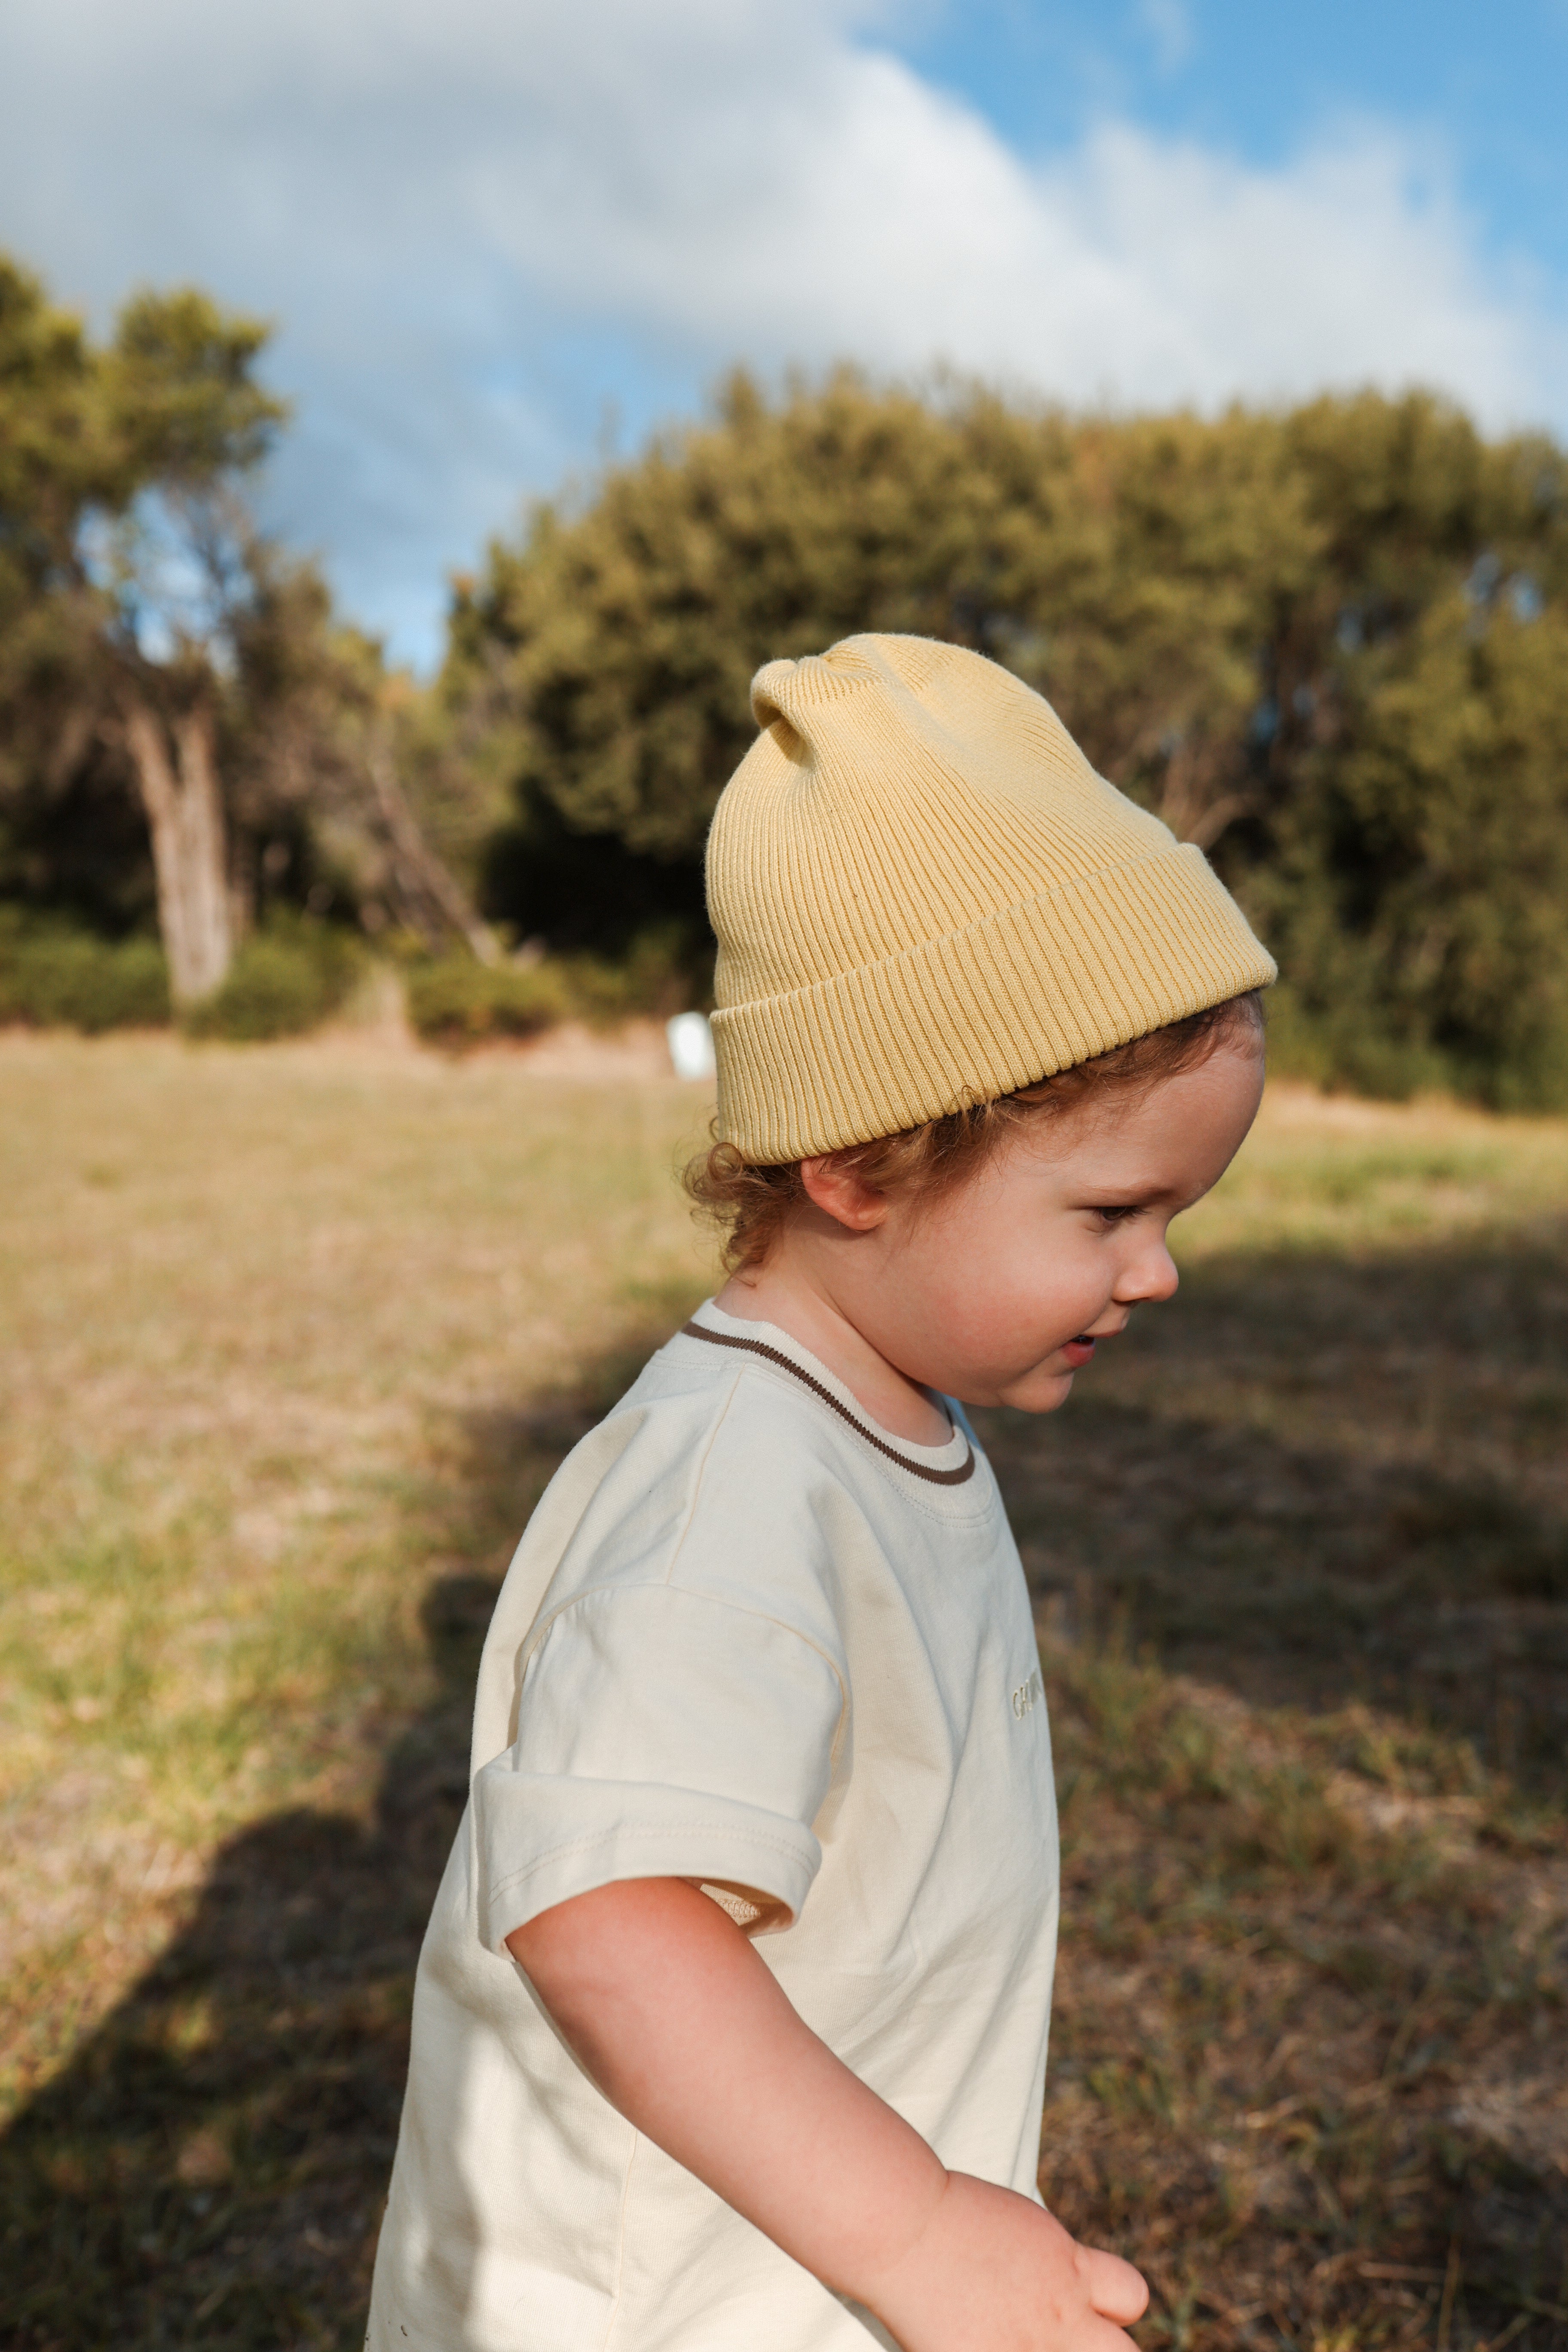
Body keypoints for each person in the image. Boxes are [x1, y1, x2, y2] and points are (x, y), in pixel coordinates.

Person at [367, 634, 1276, 2352]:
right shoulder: (735, 1490)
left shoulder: (879, 1417)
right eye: (1108, 1215)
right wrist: (922, 2234)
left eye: (1177, 1218)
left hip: (791, 2275)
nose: (1156, 1275)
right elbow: (610, 1919)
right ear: (860, 1159)